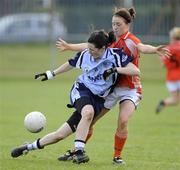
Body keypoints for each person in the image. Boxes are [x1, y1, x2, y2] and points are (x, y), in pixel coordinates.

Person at [56, 7, 171, 165]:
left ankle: (117, 156)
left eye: (118, 24)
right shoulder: (110, 39)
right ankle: (77, 151)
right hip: (112, 88)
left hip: (130, 88)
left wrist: (155, 49)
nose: (115, 27)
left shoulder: (131, 40)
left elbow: (142, 47)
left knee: (123, 120)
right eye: (113, 24)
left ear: (127, 24)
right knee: (90, 119)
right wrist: (70, 47)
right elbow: (90, 45)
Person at [11, 30, 140, 164]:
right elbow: (70, 63)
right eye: (88, 48)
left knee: (59, 135)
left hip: (98, 99)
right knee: (88, 112)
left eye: (92, 49)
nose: (89, 52)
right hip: (81, 90)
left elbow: (135, 70)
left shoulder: (116, 56)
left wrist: (115, 69)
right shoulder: (85, 55)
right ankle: (79, 151)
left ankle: (27, 147)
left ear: (103, 48)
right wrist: (51, 74)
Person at [156, 27, 180, 113]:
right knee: (176, 100)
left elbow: (163, 65)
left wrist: (161, 57)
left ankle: (163, 102)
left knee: (175, 100)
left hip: (171, 78)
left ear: (172, 37)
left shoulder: (168, 49)